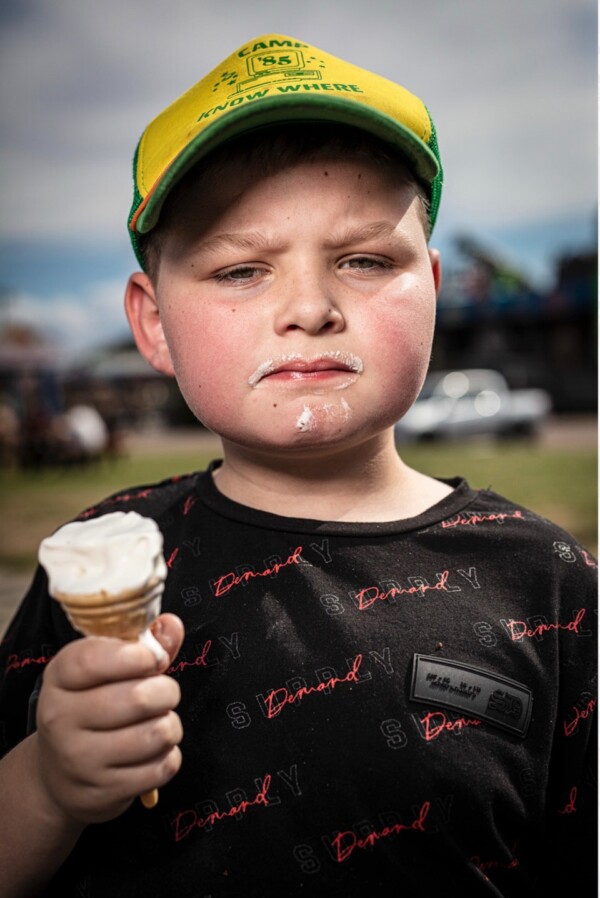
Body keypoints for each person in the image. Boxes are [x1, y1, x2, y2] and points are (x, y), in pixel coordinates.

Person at [0, 33, 596, 897]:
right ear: (154, 321)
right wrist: (47, 786)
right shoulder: (95, 557)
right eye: (241, 269)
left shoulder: (553, 588)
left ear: (433, 285)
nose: (310, 309)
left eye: (363, 260)